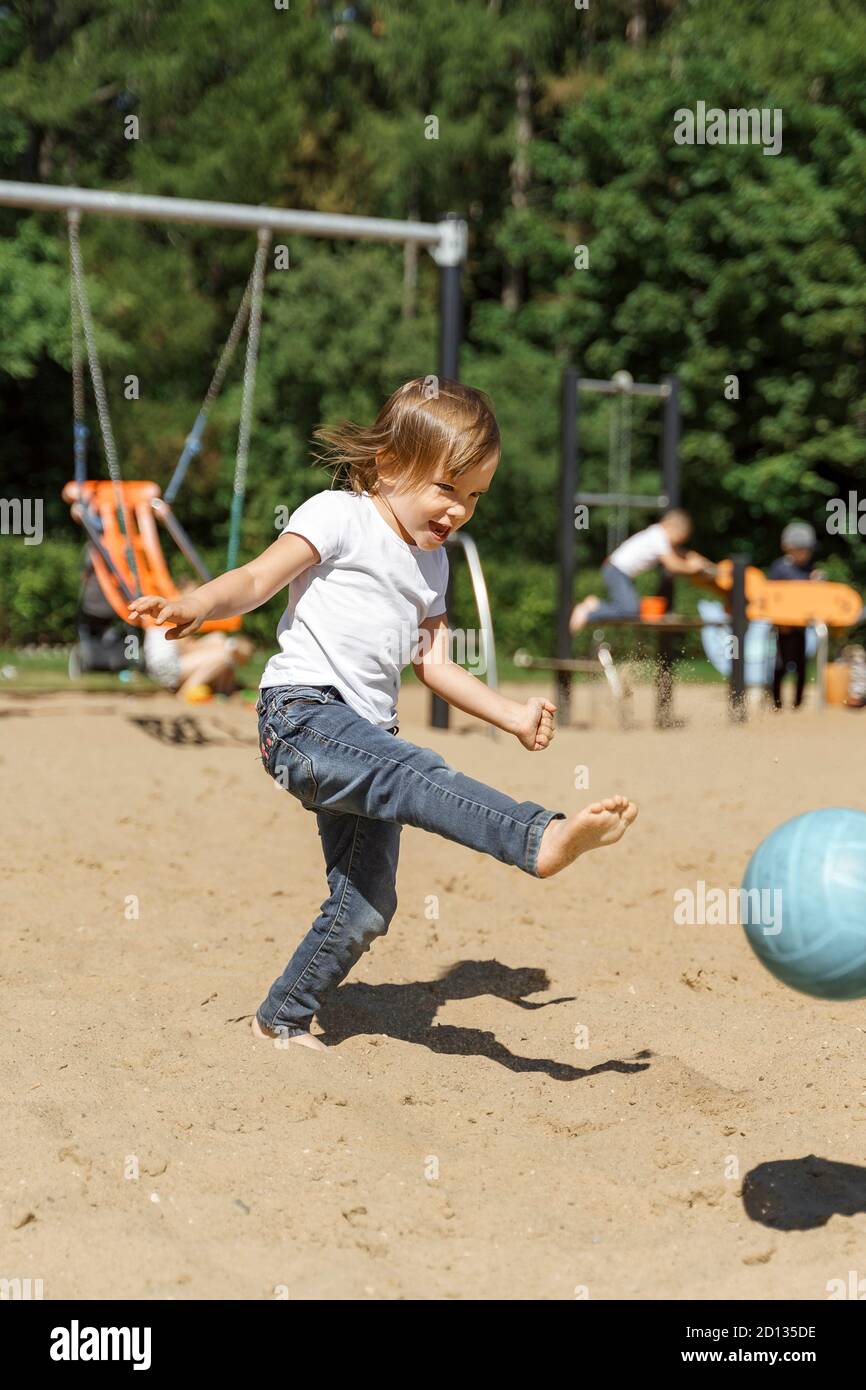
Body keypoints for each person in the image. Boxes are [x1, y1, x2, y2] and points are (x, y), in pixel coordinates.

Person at [129, 378, 638, 1053]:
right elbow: (256, 578)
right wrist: (199, 603)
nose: (459, 510)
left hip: (365, 743)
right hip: (303, 720)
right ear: (391, 466)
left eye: (475, 496)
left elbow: (436, 666)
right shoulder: (339, 515)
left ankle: (281, 1015)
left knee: (366, 907)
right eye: (447, 488)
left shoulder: (435, 566)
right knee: (413, 773)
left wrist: (511, 714)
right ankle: (534, 839)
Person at [569, 509, 712, 632]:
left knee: (629, 609)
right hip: (616, 570)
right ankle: (588, 611)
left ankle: (594, 604)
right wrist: (692, 568)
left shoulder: (658, 535)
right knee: (630, 611)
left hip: (618, 571)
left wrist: (707, 565)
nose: (677, 543)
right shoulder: (658, 536)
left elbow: (683, 554)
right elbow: (672, 565)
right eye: (679, 539)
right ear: (673, 528)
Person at [142, 578, 254, 697]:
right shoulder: (176, 611)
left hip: (164, 666)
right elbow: (186, 649)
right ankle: (186, 691)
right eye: (192, 595)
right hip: (166, 668)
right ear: (180, 592)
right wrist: (229, 646)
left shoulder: (170, 608)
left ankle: (226, 689)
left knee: (218, 640)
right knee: (223, 655)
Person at [767, 521, 822, 710]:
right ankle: (776, 702)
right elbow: (772, 596)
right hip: (783, 626)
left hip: (800, 626)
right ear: (789, 548)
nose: (806, 554)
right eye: (802, 550)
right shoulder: (780, 568)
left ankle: (798, 702)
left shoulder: (809, 569)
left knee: (801, 665)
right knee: (780, 665)